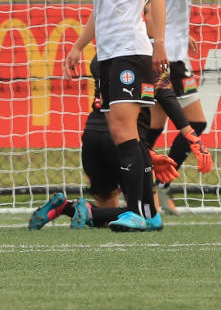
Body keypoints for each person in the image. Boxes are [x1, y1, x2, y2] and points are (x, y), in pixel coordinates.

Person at [62, 0, 167, 232]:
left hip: (129, 53)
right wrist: (79, 45)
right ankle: (149, 213)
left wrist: (159, 44)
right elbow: (100, 9)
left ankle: (137, 211)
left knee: (123, 131)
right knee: (123, 133)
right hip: (106, 56)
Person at [29, 57, 179, 231]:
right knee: (148, 213)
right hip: (121, 142)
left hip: (91, 136)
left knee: (109, 209)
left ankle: (67, 207)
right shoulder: (141, 55)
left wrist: (78, 47)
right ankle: (82, 209)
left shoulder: (102, 54)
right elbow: (163, 98)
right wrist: (187, 134)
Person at [146, 0, 221, 213]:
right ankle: (154, 184)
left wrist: (181, 32)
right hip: (171, 62)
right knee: (197, 122)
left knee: (153, 127)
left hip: (172, 55)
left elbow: (155, 8)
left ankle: (148, 184)